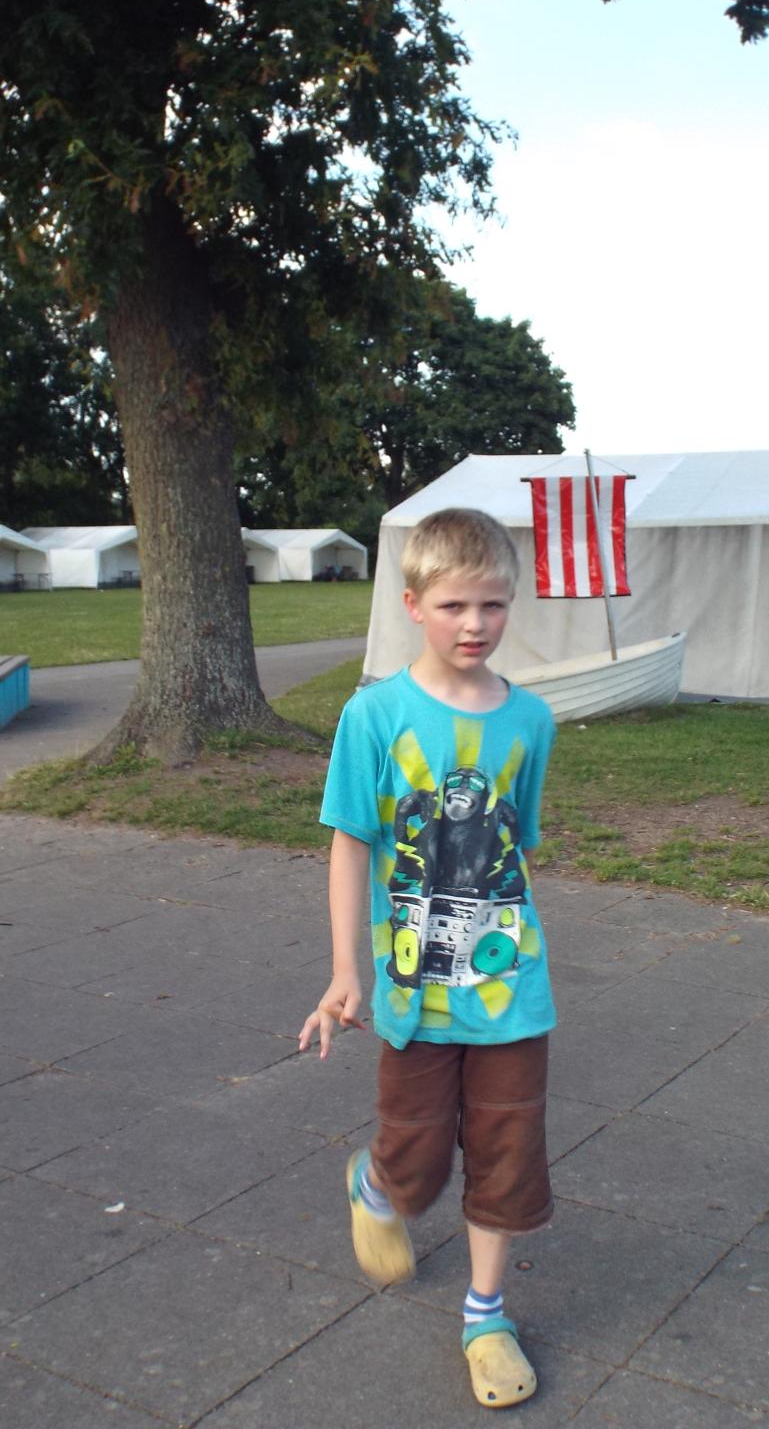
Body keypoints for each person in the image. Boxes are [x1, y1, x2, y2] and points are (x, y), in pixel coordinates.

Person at [300, 507, 558, 1411]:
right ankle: (376, 1185)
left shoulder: (531, 720)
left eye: (493, 604)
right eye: (453, 605)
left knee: (506, 1155)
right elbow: (349, 844)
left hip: (510, 989)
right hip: (413, 991)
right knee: (415, 1162)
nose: (475, 624)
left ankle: (486, 1317)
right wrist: (347, 972)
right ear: (413, 605)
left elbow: (517, 841)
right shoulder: (373, 716)